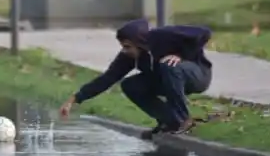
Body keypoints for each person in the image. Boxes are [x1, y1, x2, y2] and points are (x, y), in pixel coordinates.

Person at [59, 18, 213, 138]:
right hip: (168, 79)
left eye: (127, 46)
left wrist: (182, 55)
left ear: (140, 43)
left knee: (169, 65)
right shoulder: (128, 57)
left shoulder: (161, 36)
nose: (125, 51)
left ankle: (183, 119)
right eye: (123, 47)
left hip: (197, 75)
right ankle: (170, 121)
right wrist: (75, 98)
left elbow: (204, 33)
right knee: (130, 85)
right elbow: (107, 79)